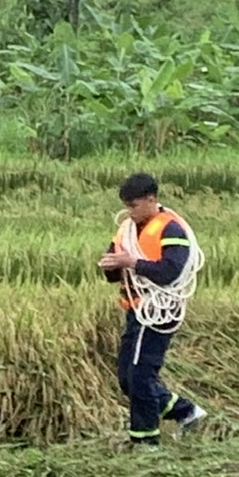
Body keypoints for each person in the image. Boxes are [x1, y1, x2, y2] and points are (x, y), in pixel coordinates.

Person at [99, 171, 209, 446]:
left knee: (139, 376)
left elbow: (170, 271)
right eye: (127, 206)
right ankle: (186, 412)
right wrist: (111, 267)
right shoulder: (126, 230)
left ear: (151, 199)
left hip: (159, 313)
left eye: (134, 206)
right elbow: (116, 270)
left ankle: (145, 444)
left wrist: (131, 262)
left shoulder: (171, 228)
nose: (130, 212)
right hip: (135, 311)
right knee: (127, 377)